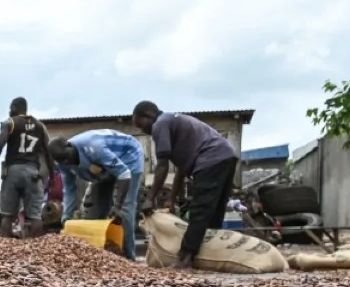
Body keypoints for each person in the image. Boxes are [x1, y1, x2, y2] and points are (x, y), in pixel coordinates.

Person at [133, 101, 238, 270]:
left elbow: (162, 166)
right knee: (215, 211)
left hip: (211, 158)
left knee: (200, 211)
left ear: (149, 116)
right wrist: (172, 199)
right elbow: (181, 171)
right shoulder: (174, 123)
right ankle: (211, 256)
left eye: (141, 125)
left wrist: (150, 198)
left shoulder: (160, 124)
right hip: (227, 156)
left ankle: (185, 258)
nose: (143, 131)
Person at [48, 130, 145, 260]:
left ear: (69, 146)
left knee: (124, 210)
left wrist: (117, 205)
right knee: (97, 211)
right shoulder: (62, 162)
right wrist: (66, 216)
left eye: (66, 157)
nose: (65, 162)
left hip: (128, 156)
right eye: (60, 160)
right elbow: (70, 189)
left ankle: (129, 258)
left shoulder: (95, 147)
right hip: (104, 168)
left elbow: (124, 174)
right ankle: (103, 255)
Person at [0, 97, 53, 238]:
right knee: (35, 216)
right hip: (33, 173)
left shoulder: (9, 123)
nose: (9, 111)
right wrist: (51, 176)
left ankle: (6, 248)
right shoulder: (41, 127)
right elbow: (49, 154)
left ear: (15, 108)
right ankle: (38, 249)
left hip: (13, 172)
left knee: (7, 215)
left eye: (11, 108)